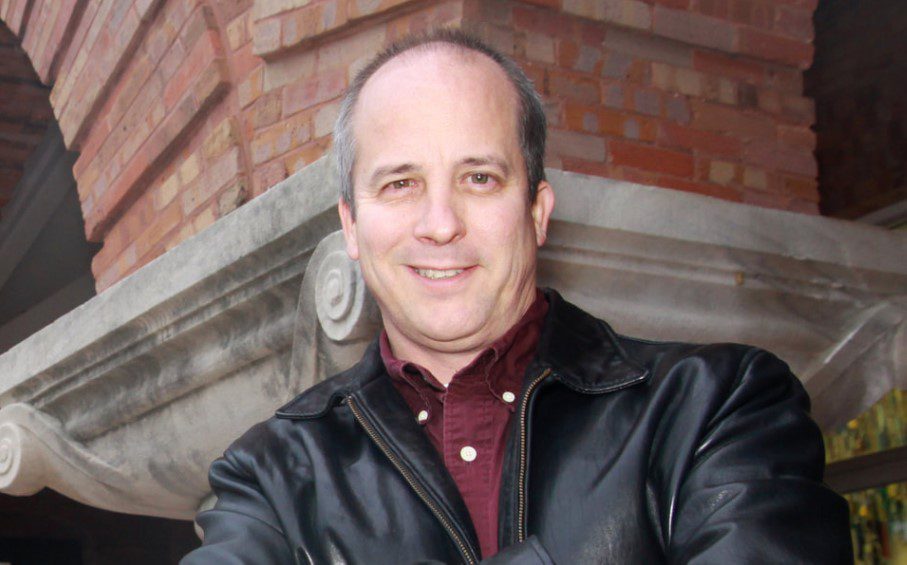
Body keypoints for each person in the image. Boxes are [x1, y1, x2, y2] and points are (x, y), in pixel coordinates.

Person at [182, 29, 852, 564]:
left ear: (536, 212)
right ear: (351, 227)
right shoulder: (268, 477)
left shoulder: (714, 406)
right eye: (400, 184)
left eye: (478, 177)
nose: (440, 223)